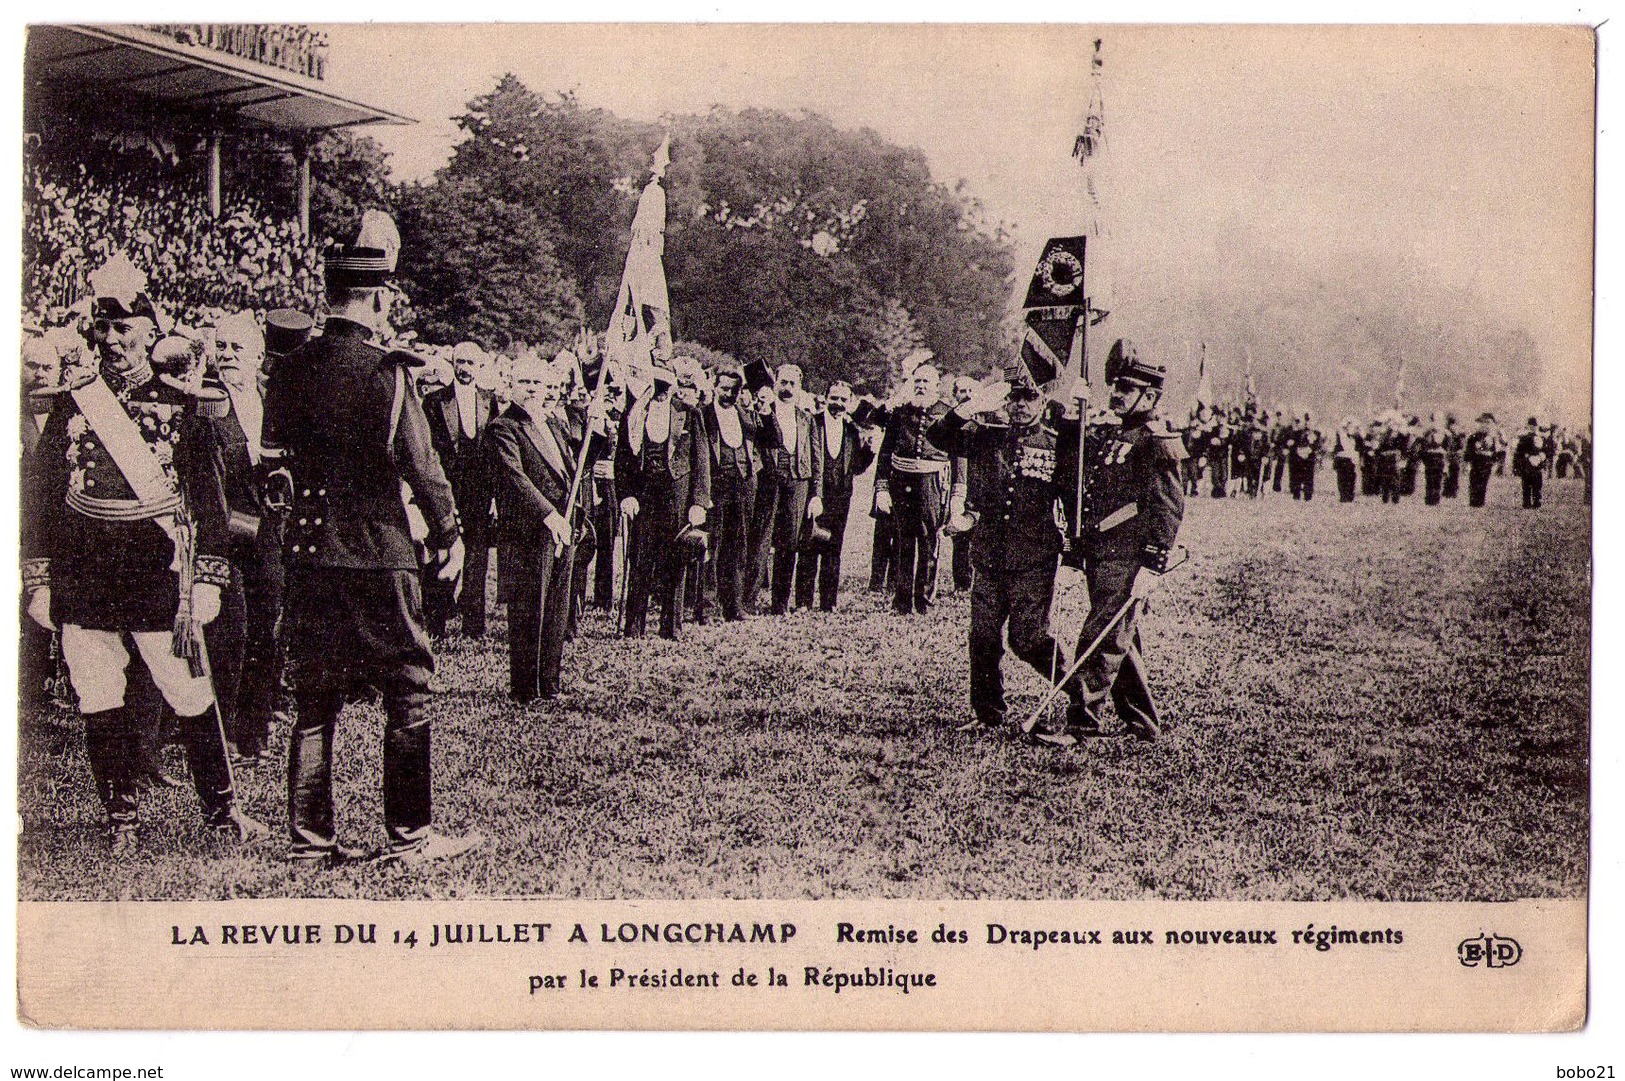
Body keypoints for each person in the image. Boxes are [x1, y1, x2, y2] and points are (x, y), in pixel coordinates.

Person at [23, 255, 266, 854]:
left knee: (189, 691)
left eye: (124, 331)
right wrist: (38, 581)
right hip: (84, 576)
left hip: (159, 575)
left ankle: (221, 811)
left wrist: (207, 578)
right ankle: (121, 818)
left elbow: (209, 505)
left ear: (150, 332)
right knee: (97, 693)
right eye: (103, 330)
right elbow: (38, 500)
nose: (111, 343)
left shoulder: (185, 407)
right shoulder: (73, 406)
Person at [262, 215, 477, 867]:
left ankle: (309, 840)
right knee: (408, 682)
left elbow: (273, 461)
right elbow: (422, 463)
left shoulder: (289, 367)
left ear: (327, 296)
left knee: (314, 694)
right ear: (378, 298)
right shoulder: (388, 369)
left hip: (308, 551)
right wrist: (451, 532)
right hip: (379, 550)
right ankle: (409, 836)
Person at [1039, 340, 1186, 747]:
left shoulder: (1156, 440)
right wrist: (1073, 420)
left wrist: (1153, 565)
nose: (1115, 395)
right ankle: (1143, 723)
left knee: (1101, 636)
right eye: (1115, 387)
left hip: (1130, 557)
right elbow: (1069, 472)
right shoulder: (1111, 433)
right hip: (1101, 552)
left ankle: (1081, 725)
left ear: (1150, 396)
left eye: (1125, 389)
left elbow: (1169, 509)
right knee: (1120, 635)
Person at [927, 370, 1079, 733]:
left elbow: (1071, 500)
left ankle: (1082, 689)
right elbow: (938, 436)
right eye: (1014, 398)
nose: (1021, 406)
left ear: (1042, 401)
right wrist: (968, 408)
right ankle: (987, 713)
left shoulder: (1055, 443)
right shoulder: (985, 437)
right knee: (982, 637)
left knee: (1027, 640)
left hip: (1034, 558)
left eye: (1029, 398)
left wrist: (1075, 551)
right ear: (1004, 402)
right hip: (990, 554)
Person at [487, 353, 608, 702]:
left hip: (563, 525)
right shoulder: (503, 427)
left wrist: (596, 431)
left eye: (538, 384)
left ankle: (549, 684)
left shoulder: (553, 423)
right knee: (529, 605)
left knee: (556, 605)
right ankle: (525, 688)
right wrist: (548, 515)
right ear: (511, 387)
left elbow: (577, 465)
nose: (533, 390)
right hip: (528, 530)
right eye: (525, 383)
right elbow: (514, 478)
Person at [206, 311, 287, 768]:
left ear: (257, 353)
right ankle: (225, 733)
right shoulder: (206, 402)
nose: (228, 355)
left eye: (237, 347)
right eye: (221, 347)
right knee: (229, 632)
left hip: (270, 534)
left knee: (267, 628)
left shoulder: (270, 396)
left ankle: (255, 730)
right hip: (225, 534)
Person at [617, 357, 711, 640]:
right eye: (655, 384)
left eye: (665, 384)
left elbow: (701, 460)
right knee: (641, 558)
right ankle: (633, 627)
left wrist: (698, 502)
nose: (660, 390)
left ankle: (671, 627)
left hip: (678, 497)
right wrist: (627, 495)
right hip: (645, 496)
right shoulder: (633, 415)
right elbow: (623, 461)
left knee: (676, 559)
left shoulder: (689, 413)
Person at [422, 341, 497, 638]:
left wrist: (494, 494)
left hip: (479, 491)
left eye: (470, 363)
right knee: (443, 550)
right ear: (453, 364)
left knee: (477, 556)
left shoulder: (489, 402)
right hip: (446, 488)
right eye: (460, 362)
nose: (465, 368)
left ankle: (474, 625)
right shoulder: (435, 401)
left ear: (480, 367)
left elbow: (494, 452)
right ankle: (436, 621)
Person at [744, 363, 825, 614]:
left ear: (799, 387)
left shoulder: (806, 418)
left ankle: (779, 603)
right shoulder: (762, 412)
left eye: (792, 384)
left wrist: (816, 494)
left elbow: (815, 458)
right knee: (760, 541)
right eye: (783, 383)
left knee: (789, 544)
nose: (787, 388)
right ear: (775, 383)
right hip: (768, 482)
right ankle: (747, 602)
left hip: (798, 482)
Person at [874, 359, 951, 614]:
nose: (920, 386)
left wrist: (958, 493)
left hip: (932, 484)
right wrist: (882, 488)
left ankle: (924, 598)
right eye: (916, 381)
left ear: (937, 386)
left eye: (925, 381)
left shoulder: (947, 413)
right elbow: (885, 453)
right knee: (903, 542)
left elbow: (958, 456)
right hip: (901, 482)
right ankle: (902, 599)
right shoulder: (900, 413)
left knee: (929, 542)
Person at [796, 380, 875, 612]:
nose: (838, 404)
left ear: (849, 402)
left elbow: (857, 468)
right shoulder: (813, 423)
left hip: (841, 496)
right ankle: (803, 602)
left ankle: (828, 602)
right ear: (825, 397)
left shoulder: (852, 430)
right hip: (814, 493)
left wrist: (869, 449)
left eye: (843, 399)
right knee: (809, 545)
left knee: (834, 549)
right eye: (834, 398)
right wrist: (813, 494)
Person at [699, 364, 759, 622]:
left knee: (738, 545)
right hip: (716, 486)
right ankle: (707, 607)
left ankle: (734, 605)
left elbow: (771, 438)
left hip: (743, 486)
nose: (729, 394)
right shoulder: (703, 415)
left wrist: (765, 413)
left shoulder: (746, 415)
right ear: (714, 387)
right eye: (724, 388)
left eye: (734, 390)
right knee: (711, 546)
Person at [945, 375, 979, 590]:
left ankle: (978, 580)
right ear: (954, 396)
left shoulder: (983, 423)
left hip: (978, 482)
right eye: (962, 391)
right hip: (954, 482)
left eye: (970, 391)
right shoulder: (949, 424)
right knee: (959, 534)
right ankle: (962, 582)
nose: (966, 395)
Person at [1286, 413, 1322, 500]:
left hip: (1308, 458)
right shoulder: (1294, 432)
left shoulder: (1314, 433)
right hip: (1296, 457)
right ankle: (1296, 495)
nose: (1304, 423)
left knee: (1308, 477)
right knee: (1296, 476)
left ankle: (1308, 496)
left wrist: (1310, 449)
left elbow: (1317, 444)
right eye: (1297, 421)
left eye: (1307, 420)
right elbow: (1289, 443)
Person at [1513, 416, 1546, 509]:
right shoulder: (1523, 438)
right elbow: (1519, 452)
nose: (1533, 428)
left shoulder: (1541, 438)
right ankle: (1527, 503)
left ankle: (1536, 503)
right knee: (1527, 484)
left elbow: (1545, 451)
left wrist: (1541, 458)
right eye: (1531, 426)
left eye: (1535, 426)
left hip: (1537, 464)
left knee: (1537, 484)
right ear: (1528, 426)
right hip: (1527, 464)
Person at [1419, 412, 1448, 505]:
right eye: (1435, 420)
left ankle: (1436, 499)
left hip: (1439, 456)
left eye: (1439, 420)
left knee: (1438, 478)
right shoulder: (1427, 432)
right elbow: (1423, 445)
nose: (1436, 422)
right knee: (1430, 478)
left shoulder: (1444, 432)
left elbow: (1447, 445)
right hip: (1430, 456)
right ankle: (1429, 499)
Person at [1330, 418, 1360, 503]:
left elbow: (1358, 446)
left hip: (1351, 459)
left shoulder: (1354, 436)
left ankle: (1350, 497)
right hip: (1342, 459)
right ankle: (1343, 497)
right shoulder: (1339, 436)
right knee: (1342, 478)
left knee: (1351, 478)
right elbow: (1334, 448)